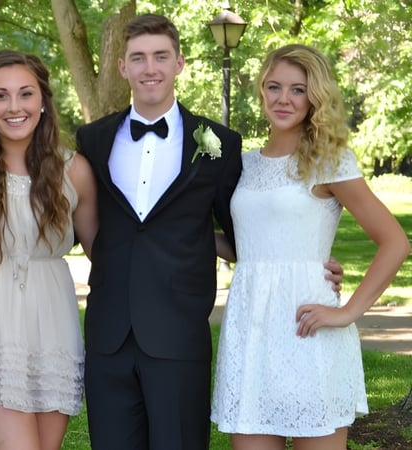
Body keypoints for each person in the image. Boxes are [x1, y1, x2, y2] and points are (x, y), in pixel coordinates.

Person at [74, 14, 348, 449]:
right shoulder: (91, 139)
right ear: (123, 67)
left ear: (179, 63)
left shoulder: (220, 143)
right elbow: (84, 221)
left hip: (180, 331)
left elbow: (247, 233)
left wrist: (315, 263)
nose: (151, 68)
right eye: (139, 58)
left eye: (161, 57)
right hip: (109, 333)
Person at [210, 44, 410, 449]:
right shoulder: (243, 163)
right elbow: (247, 248)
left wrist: (348, 312)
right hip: (251, 330)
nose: (283, 99)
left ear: (315, 96)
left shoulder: (329, 161)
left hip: (308, 330)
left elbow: (395, 242)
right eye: (274, 87)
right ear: (261, 91)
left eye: (298, 89)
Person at [0, 49, 98, 450]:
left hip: (52, 324)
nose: (14, 107)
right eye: (0, 95)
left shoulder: (73, 169)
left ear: (43, 100)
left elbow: (106, 253)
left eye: (25, 94)